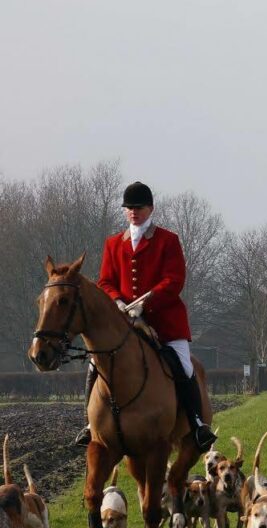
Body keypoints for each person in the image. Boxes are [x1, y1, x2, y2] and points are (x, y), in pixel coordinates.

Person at [74, 181, 216, 451]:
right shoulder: (113, 243)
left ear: (150, 208)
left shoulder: (168, 240)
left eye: (138, 207)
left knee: (185, 366)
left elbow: (174, 280)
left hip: (165, 322)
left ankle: (197, 424)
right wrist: (116, 301)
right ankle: (91, 425)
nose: (133, 212)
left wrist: (146, 303)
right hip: (124, 323)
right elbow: (105, 281)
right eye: (128, 208)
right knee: (95, 364)